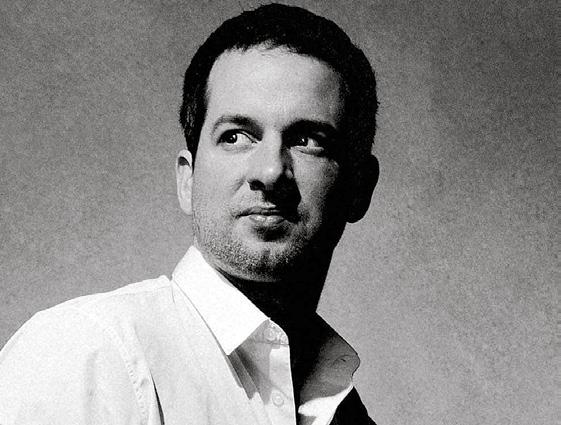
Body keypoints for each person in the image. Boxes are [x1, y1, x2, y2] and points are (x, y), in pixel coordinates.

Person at [0, 4, 379, 424]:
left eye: (308, 140)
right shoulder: (86, 356)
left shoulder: (344, 410)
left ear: (359, 188)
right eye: (235, 136)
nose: (270, 171)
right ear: (188, 179)